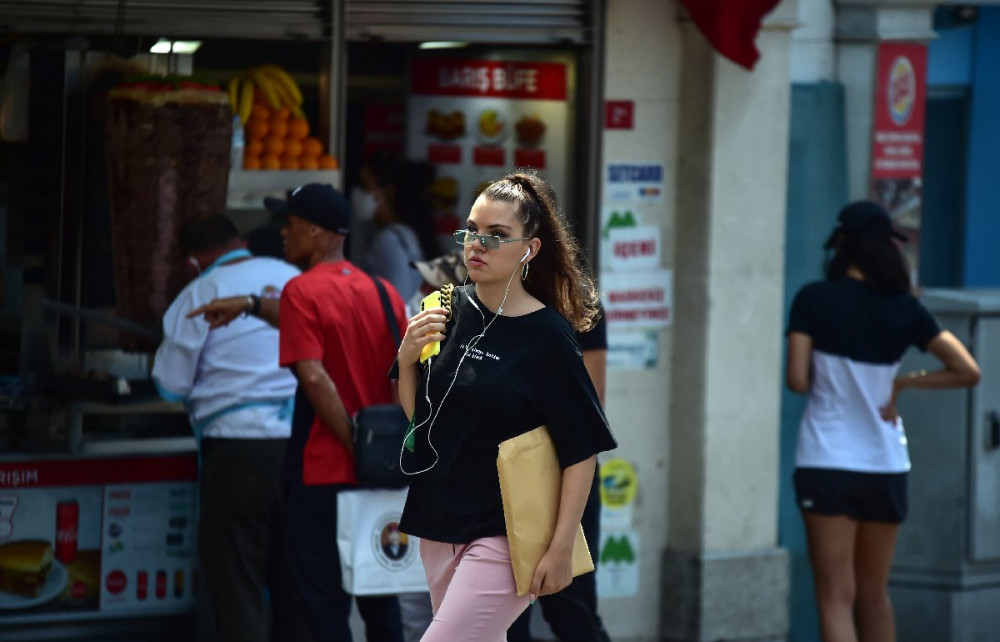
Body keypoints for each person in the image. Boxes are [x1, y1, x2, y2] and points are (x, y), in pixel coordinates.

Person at [395, 172, 618, 641]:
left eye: (496, 236)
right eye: (472, 230)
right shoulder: (442, 306)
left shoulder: (550, 338)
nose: (477, 244)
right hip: (437, 523)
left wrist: (560, 549)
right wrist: (406, 360)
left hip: (508, 532)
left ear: (529, 249)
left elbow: (582, 449)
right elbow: (420, 418)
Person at [187, 184, 408, 642]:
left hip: (322, 474)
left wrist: (352, 443)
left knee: (324, 608)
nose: (282, 234)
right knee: (381, 603)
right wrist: (249, 306)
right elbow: (408, 371)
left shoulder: (302, 290)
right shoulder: (383, 293)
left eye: (289, 225)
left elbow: (312, 375)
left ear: (314, 230)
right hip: (380, 477)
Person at [785, 200, 980, 642]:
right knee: (875, 596)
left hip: (828, 460)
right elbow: (968, 370)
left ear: (842, 245)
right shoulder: (905, 308)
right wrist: (906, 382)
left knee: (836, 595)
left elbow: (797, 380)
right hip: (885, 464)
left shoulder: (813, 299)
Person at [150, 214, 310, 642]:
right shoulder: (292, 277)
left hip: (237, 449)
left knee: (237, 580)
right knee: (296, 579)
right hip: (299, 445)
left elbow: (171, 383)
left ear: (193, 261)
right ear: (239, 241)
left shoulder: (200, 291)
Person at [359, 153, 441, 308]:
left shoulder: (389, 241)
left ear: (387, 192)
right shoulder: (405, 234)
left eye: (365, 186)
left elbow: (398, 303)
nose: (359, 194)